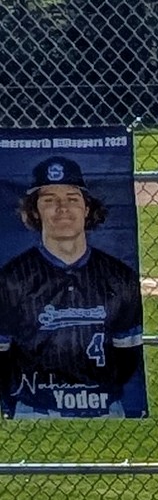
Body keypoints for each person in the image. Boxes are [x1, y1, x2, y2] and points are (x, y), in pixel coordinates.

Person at [0, 157, 144, 417]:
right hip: (33, 408)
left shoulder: (119, 276)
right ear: (34, 211)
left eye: (72, 198)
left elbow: (128, 356)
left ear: (87, 208)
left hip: (106, 407)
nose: (62, 208)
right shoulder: (11, 278)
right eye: (49, 200)